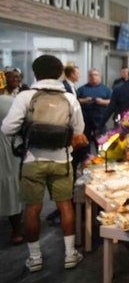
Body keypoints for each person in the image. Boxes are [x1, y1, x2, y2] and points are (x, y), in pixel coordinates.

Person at [1, 54, 84, 272]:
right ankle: (69, 255)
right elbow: (78, 131)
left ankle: (35, 258)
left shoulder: (25, 97)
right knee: (65, 204)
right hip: (62, 160)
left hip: (32, 159)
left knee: (32, 209)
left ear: (35, 73)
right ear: (60, 74)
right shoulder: (69, 98)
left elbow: (7, 128)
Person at [0, 95, 24, 245]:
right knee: (12, 187)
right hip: (9, 149)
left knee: (10, 185)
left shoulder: (9, 101)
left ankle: (17, 228)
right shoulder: (11, 101)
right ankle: (16, 229)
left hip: (8, 148)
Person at [77, 69, 111, 152]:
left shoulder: (106, 89)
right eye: (91, 75)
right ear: (88, 77)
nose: (93, 77)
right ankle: (85, 160)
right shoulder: (82, 89)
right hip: (85, 121)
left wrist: (102, 102)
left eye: (95, 75)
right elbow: (75, 100)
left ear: (99, 76)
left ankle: (101, 159)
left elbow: (111, 101)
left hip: (100, 121)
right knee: (84, 145)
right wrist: (85, 100)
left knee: (101, 144)